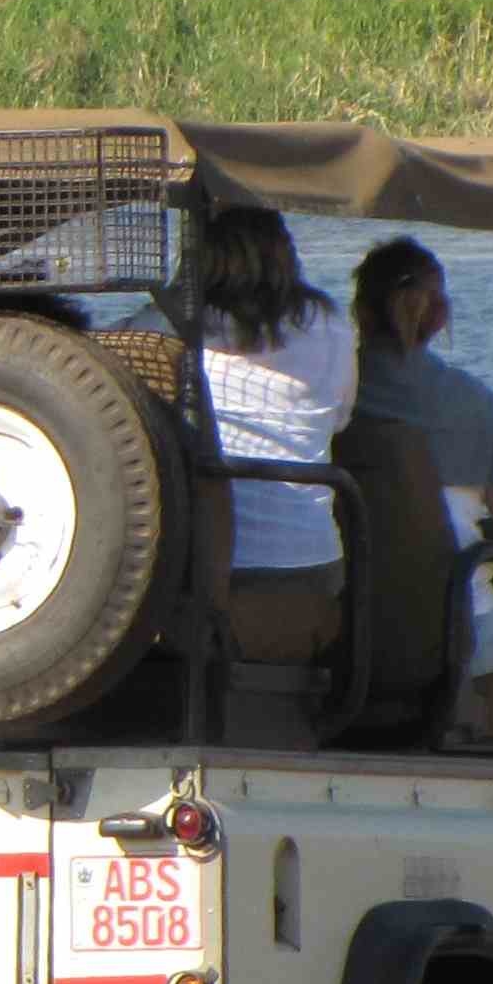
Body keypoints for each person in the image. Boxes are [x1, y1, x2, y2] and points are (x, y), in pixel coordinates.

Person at [350, 238, 493, 713]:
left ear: (360, 312)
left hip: (352, 620)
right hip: (455, 622)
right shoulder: (474, 404)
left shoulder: (333, 391)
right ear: (440, 316)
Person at [138, 207, 355, 659]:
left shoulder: (166, 329)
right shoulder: (329, 325)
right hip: (313, 561)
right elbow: (340, 417)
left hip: (202, 565)